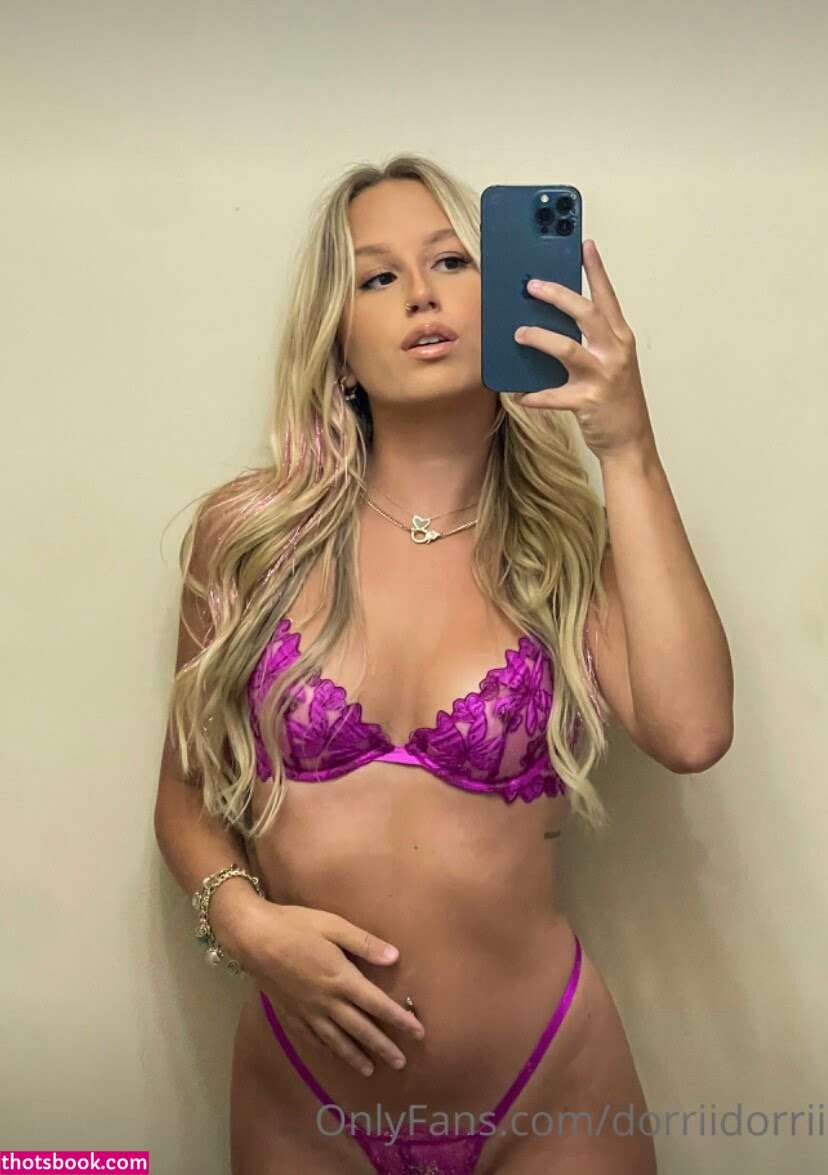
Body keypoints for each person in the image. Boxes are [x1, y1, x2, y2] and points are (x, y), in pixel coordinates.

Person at [155, 154, 733, 1174]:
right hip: (304, 1100)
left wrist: (628, 445)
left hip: (551, 1089)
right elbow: (186, 797)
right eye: (378, 276)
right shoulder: (246, 537)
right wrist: (243, 921)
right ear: (339, 346)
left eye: (452, 261)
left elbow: (692, 733)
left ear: (503, 295)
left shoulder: (569, 551)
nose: (420, 294)